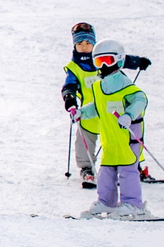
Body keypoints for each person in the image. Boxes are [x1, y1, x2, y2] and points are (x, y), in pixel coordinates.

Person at [61, 22, 153, 188]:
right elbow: (69, 86)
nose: (84, 47)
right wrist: (69, 99)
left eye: (88, 43)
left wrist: (139, 62)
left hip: (113, 114)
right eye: (80, 44)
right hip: (89, 113)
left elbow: (121, 59)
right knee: (84, 142)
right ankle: (87, 168)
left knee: (124, 139)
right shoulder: (74, 68)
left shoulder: (103, 59)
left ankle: (133, 166)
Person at [77, 39, 151, 219]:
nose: (103, 66)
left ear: (118, 60)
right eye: (98, 61)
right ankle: (107, 202)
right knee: (106, 172)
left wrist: (129, 114)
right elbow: (98, 106)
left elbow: (140, 99)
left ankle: (133, 204)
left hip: (127, 138)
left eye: (107, 60)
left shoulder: (124, 84)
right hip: (109, 139)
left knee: (127, 171)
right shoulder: (98, 85)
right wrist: (82, 112)